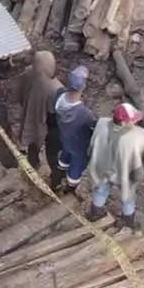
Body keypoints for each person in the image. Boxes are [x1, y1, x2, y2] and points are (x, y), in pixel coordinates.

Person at [87, 102, 144, 229]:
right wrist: (138, 177)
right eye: (132, 120)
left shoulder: (101, 124)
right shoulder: (139, 136)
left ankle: (95, 214)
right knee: (128, 198)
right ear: (123, 122)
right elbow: (138, 167)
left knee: (100, 190)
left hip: (102, 169)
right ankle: (128, 223)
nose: (135, 122)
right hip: (124, 174)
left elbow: (91, 148)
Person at [16, 50, 62, 174]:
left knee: (32, 143)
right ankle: (54, 176)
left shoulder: (28, 73)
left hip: (29, 116)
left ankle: (33, 164)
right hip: (45, 122)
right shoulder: (55, 87)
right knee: (49, 150)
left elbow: (19, 95)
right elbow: (55, 113)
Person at [53, 66, 97, 194]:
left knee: (65, 154)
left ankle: (59, 172)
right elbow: (94, 126)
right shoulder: (84, 113)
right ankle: (70, 187)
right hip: (79, 145)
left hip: (65, 137)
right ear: (83, 87)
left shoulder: (59, 95)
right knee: (78, 164)